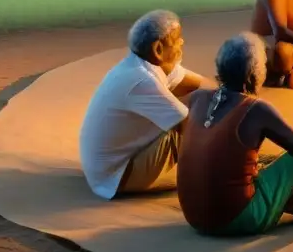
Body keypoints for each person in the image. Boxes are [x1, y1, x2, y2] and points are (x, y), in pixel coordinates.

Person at [177, 32, 293, 236]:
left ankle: (281, 197)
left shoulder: (197, 97)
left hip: (194, 217)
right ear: (253, 74)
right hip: (238, 219)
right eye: (264, 66)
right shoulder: (256, 108)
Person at [79, 10, 205, 199]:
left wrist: (232, 92)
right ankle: (220, 171)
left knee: (203, 100)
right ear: (158, 50)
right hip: (116, 177)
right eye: (177, 38)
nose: (182, 42)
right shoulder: (142, 79)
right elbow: (188, 123)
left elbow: (200, 85)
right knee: (199, 116)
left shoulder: (142, 64)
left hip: (106, 170)